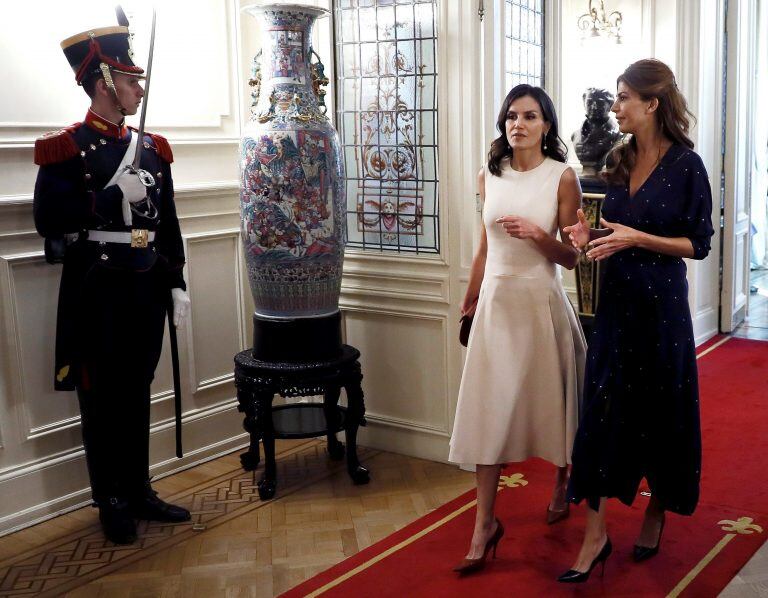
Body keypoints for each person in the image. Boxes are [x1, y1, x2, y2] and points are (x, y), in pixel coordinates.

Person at [33, 13, 192, 544]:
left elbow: (167, 223)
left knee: (138, 389)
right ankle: (111, 499)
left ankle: (139, 488)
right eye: (130, 81)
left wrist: (177, 281)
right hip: (98, 290)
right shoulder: (68, 146)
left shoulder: (151, 148)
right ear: (103, 82)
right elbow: (49, 219)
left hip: (145, 284)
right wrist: (106, 199)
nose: (138, 90)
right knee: (100, 397)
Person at [558, 59, 714, 583]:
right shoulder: (617, 159)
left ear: (652, 104)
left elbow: (697, 244)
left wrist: (638, 238)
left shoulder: (688, 166)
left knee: (662, 412)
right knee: (602, 413)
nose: (615, 106)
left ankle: (657, 508)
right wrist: (587, 241)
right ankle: (594, 534)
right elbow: (607, 233)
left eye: (625, 97)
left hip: (662, 309)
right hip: (617, 307)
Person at [449, 85, 586, 574]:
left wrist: (539, 237)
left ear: (546, 124)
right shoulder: (489, 174)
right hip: (496, 308)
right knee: (489, 413)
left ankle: (562, 482)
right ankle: (484, 525)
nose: (518, 124)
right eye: (511, 116)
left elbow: (573, 258)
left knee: (551, 405)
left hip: (540, 304)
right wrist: (469, 299)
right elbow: (484, 248)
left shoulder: (562, 177)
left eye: (529, 116)